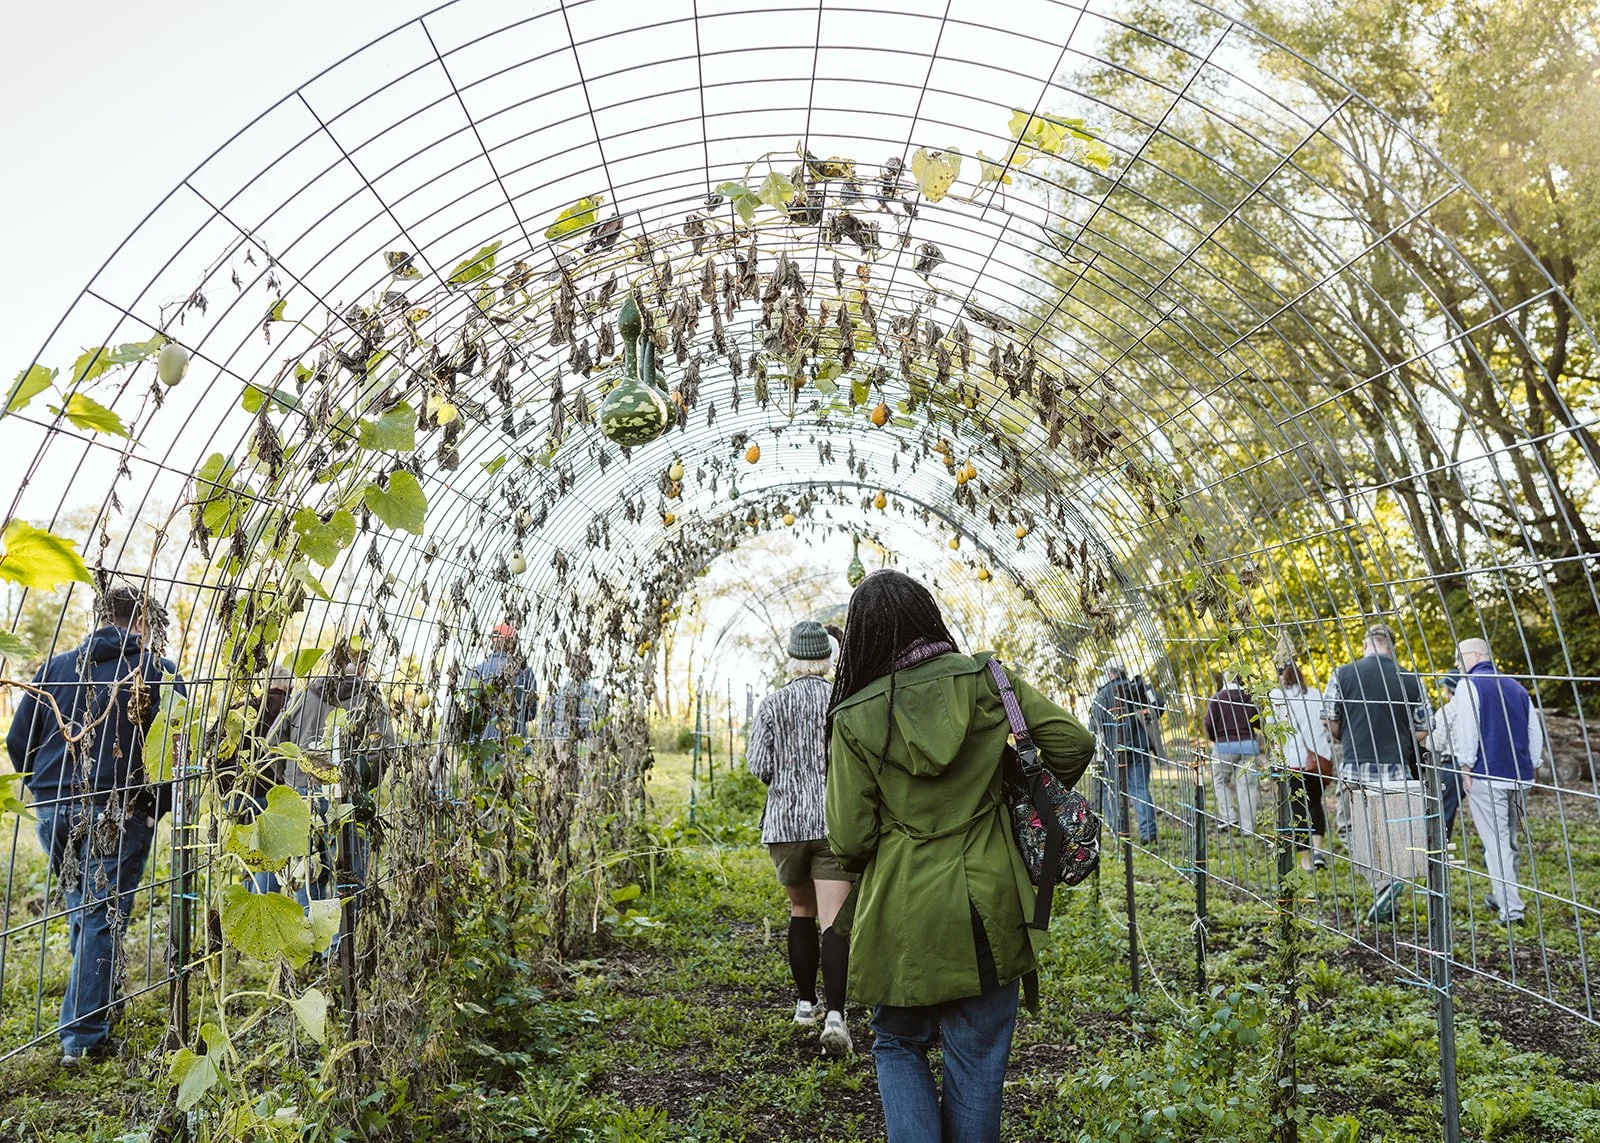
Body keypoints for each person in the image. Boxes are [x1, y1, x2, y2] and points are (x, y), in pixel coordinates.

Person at [826, 571, 1095, 1143]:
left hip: (902, 910)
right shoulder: (988, 680)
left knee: (898, 1041)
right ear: (929, 616)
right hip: (990, 901)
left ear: (863, 638)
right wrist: (1006, 787)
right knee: (977, 1055)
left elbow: (849, 839)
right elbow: (1074, 743)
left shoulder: (854, 716)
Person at [6, 583, 186, 1065]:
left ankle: (96, 1000)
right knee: (101, 916)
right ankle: (84, 1036)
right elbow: (174, 753)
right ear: (145, 623)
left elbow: (19, 741)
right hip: (119, 808)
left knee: (83, 909)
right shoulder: (158, 673)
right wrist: (155, 807)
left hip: (55, 807)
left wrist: (46, 789)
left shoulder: (57, 668)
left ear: (102, 617)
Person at [746, 620, 853, 1055]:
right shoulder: (840, 702)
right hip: (833, 823)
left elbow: (759, 765)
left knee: (801, 910)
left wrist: (788, 782)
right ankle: (837, 1016)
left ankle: (805, 1005)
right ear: (827, 659)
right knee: (834, 920)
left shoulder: (772, 704)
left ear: (791, 658)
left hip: (786, 827)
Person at [257, 644, 397, 928]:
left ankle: (314, 938)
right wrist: (360, 783)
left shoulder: (305, 695)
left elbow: (272, 743)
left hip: (302, 796)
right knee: (349, 874)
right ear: (362, 668)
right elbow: (384, 749)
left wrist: (289, 778)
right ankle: (340, 942)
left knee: (309, 873)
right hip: (348, 799)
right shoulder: (370, 701)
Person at [1321, 624, 1431, 923]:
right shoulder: (1410, 679)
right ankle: (1387, 897)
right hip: (1397, 769)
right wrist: (1401, 742)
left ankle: (1382, 885)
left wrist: (1349, 737)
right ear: (1391, 646)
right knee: (1391, 832)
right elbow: (1424, 726)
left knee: (1349, 828)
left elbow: (1329, 719)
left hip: (1356, 767)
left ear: (1364, 644)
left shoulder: (1343, 674)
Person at [1442, 639, 1543, 924]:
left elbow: (1468, 730)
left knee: (1496, 844)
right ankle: (1503, 896)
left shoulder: (1469, 685)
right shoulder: (1517, 687)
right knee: (1507, 840)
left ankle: (1511, 910)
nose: (1457, 664)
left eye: (1459, 657)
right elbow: (1534, 732)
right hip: (1519, 777)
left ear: (1476, 655)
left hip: (1487, 775)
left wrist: (1465, 766)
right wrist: (1532, 765)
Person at [1267, 664, 1333, 870]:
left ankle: (1305, 860)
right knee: (1315, 804)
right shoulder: (1314, 694)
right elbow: (1325, 723)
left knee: (1297, 810)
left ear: (1280, 675)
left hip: (1292, 760)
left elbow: (1271, 728)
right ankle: (1318, 851)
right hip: (1317, 759)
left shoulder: (1277, 696)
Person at [1090, 660, 1157, 843]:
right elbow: (1157, 706)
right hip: (1139, 746)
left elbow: (1094, 723)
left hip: (1114, 750)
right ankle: (1148, 833)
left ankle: (1118, 830)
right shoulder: (1137, 687)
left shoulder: (1103, 693)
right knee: (1140, 788)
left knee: (1112, 789)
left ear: (1109, 673)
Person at [1203, 673, 1264, 833]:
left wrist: (1215, 738)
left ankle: (1229, 816)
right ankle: (1248, 827)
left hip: (1224, 746)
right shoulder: (1248, 698)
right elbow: (1258, 722)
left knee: (1220, 781)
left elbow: (1209, 724)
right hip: (1248, 745)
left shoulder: (1217, 699)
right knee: (1247, 786)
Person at [462, 622, 537, 743]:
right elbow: (531, 713)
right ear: (514, 643)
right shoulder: (525, 672)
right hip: (515, 741)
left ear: (493, 642)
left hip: (482, 743)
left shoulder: (475, 671)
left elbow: (472, 709)